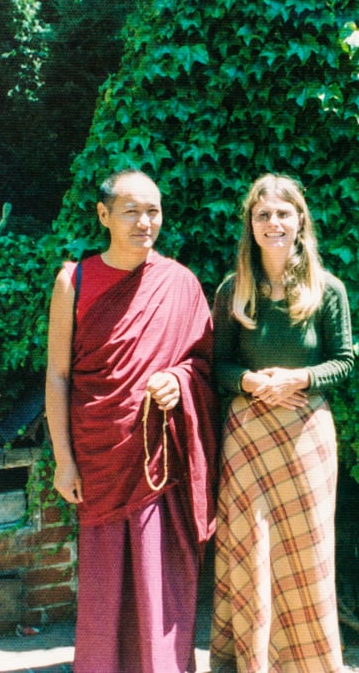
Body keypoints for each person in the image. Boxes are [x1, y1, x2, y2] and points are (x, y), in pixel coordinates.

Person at [45, 169, 217, 673]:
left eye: (154, 211)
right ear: (104, 215)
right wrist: (63, 461)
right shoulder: (73, 281)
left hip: (158, 463)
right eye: (132, 211)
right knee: (105, 586)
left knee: (161, 584)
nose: (146, 222)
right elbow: (57, 376)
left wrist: (179, 381)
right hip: (99, 458)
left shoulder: (181, 284)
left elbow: (205, 367)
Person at [210, 174, 355, 672]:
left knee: (306, 554)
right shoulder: (234, 289)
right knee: (249, 549)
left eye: (283, 213)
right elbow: (218, 366)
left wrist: (298, 378)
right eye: (263, 214)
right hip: (248, 439)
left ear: (300, 221)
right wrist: (251, 383)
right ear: (250, 225)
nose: (273, 223)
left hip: (305, 437)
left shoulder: (327, 289)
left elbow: (344, 361)